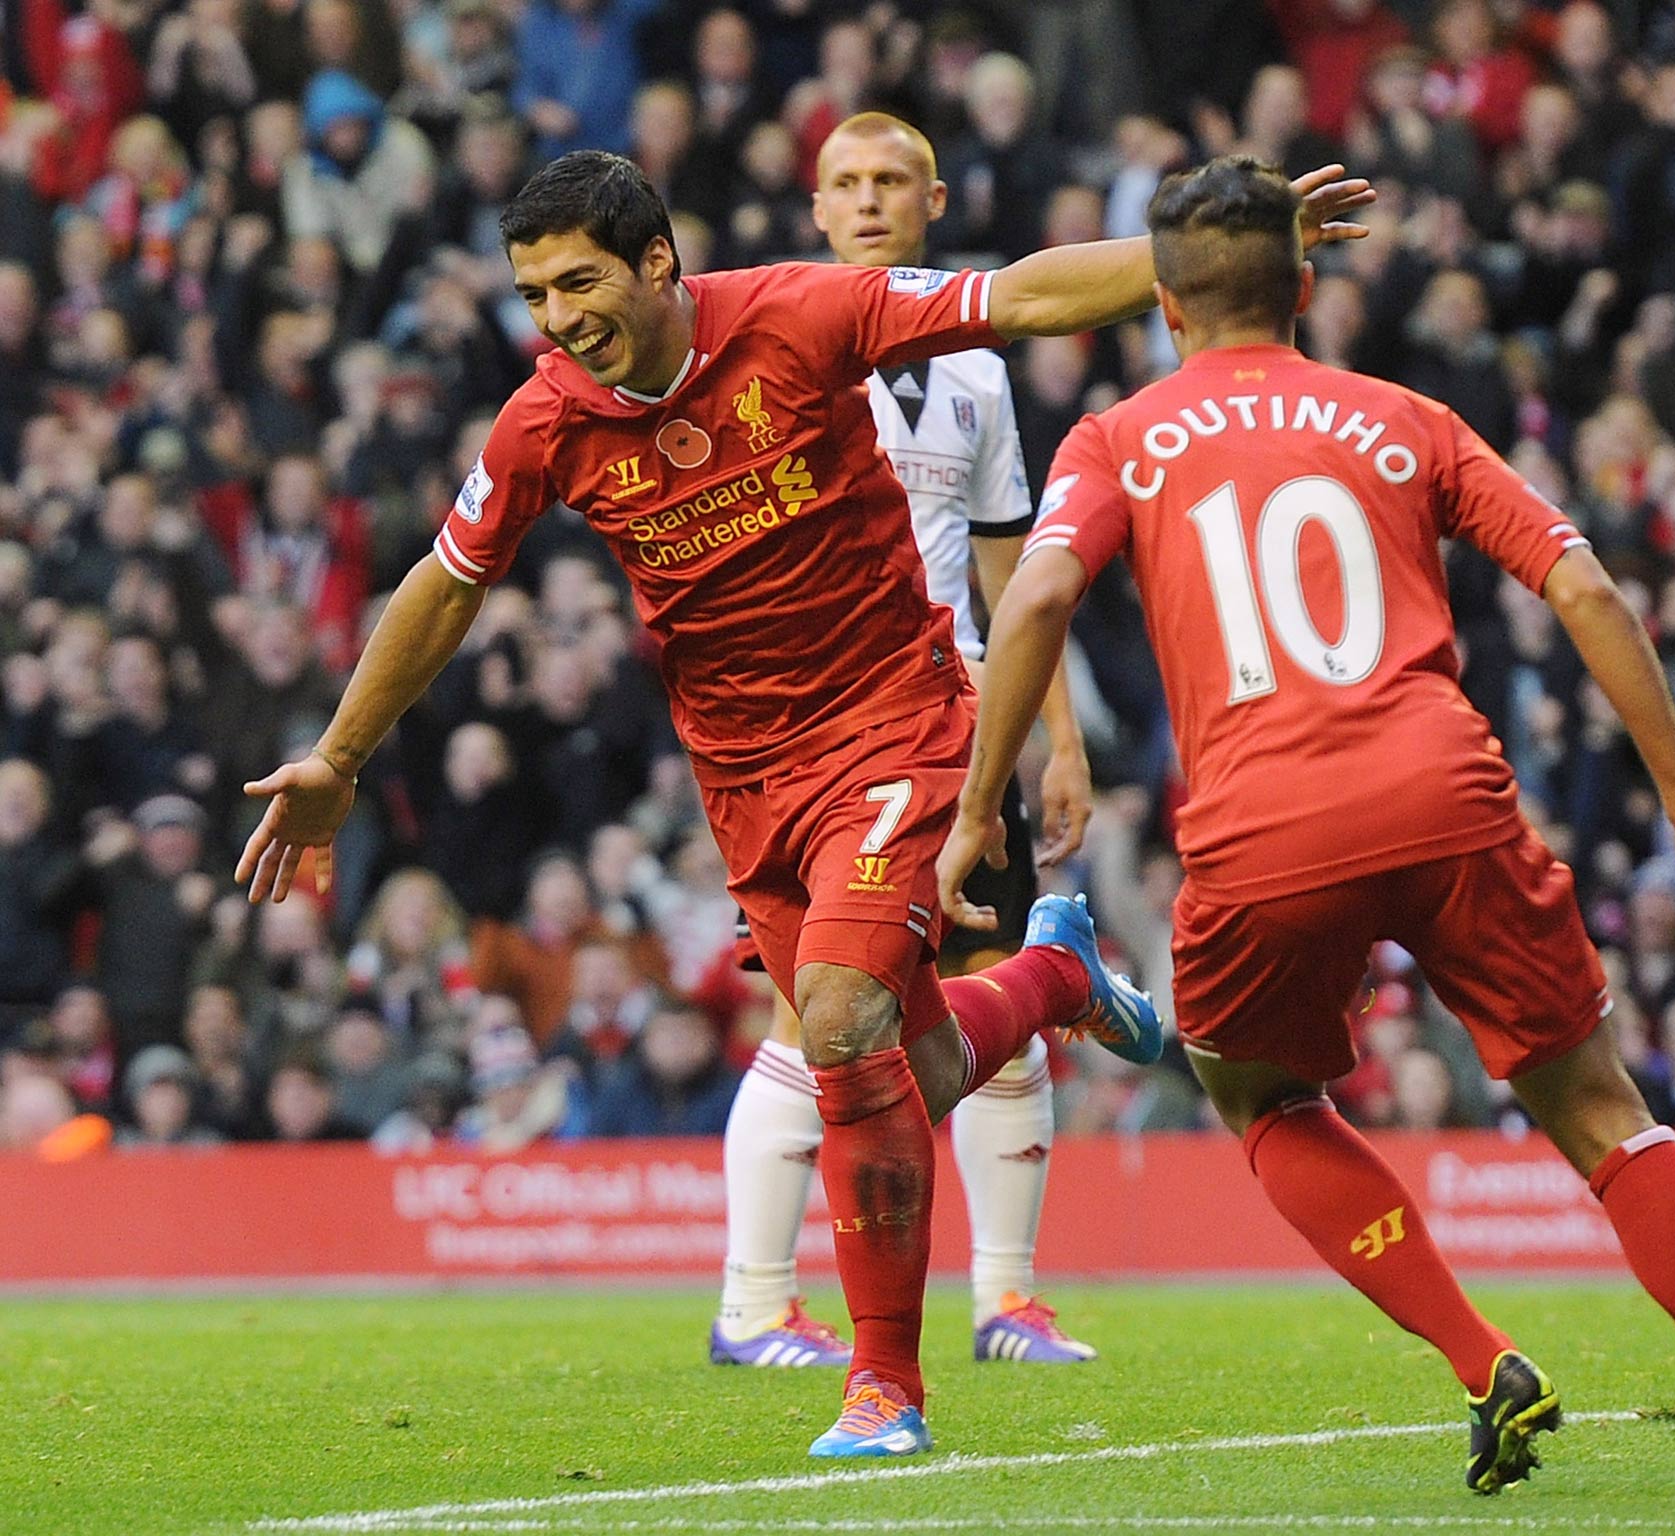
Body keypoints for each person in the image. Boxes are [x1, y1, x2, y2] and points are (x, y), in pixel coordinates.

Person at [233, 147, 1371, 1458]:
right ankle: (1057, 979)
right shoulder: (546, 418)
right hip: (742, 780)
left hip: (897, 722)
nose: (557, 318)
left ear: (657, 260)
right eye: (535, 293)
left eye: (578, 282)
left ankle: (886, 1387)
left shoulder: (798, 313)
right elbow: (446, 582)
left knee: (835, 1022)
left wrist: (1212, 259)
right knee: (918, 1070)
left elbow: (1019, 299)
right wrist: (340, 754)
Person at [937, 157, 1675, 1503]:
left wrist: (975, 812)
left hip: (1261, 834)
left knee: (1255, 1094)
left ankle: (1486, 1361)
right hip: (1445, 796)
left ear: (1165, 311)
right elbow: (1584, 585)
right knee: (1602, 1113)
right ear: (1304, 286)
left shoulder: (1120, 438)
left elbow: (1030, 606)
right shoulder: (1405, 418)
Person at [713, 112, 1099, 1374]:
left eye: (892, 182)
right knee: (816, 1014)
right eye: (847, 184)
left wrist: (1058, 739)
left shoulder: (978, 366)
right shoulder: (770, 351)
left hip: (953, 721)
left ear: (933, 199)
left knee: (974, 1008)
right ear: (813, 208)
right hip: (821, 729)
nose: (870, 202)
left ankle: (1005, 1301)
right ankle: (754, 1303)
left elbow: (1013, 575)